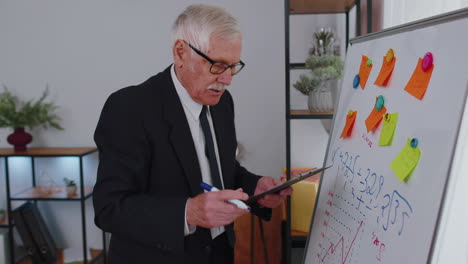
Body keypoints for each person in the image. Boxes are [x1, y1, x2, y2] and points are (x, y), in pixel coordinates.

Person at [93, 4, 291, 264]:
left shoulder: (223, 102)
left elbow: (219, 170)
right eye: (218, 65)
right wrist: (188, 212)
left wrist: (256, 186)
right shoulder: (129, 107)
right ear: (180, 52)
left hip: (221, 253)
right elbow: (109, 208)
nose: (228, 79)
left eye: (233, 66)